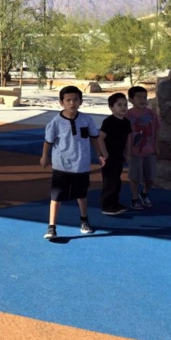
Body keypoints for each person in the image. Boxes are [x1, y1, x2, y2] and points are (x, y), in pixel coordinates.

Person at [39, 86, 105, 241]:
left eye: (75, 100)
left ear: (81, 101)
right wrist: (44, 156)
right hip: (61, 165)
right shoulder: (55, 122)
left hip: (81, 165)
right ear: (62, 102)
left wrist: (99, 155)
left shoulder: (87, 120)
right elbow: (48, 141)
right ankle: (52, 226)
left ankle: (84, 220)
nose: (72, 103)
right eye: (68, 100)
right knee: (56, 197)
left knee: (81, 194)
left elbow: (94, 138)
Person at [98, 93, 132, 215]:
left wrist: (128, 153)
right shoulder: (108, 122)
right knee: (109, 181)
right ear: (112, 107)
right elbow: (100, 138)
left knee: (117, 180)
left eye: (125, 105)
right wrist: (105, 154)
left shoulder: (126, 122)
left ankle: (115, 203)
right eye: (119, 105)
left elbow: (128, 139)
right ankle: (107, 206)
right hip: (109, 157)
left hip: (119, 156)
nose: (123, 107)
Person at [126, 86, 159, 210]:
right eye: (139, 97)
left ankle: (144, 193)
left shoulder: (151, 114)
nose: (142, 100)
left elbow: (156, 130)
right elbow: (127, 135)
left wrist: (156, 146)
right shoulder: (128, 115)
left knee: (150, 176)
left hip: (150, 150)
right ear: (131, 100)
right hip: (134, 151)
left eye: (144, 97)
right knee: (134, 175)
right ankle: (134, 199)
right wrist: (128, 152)